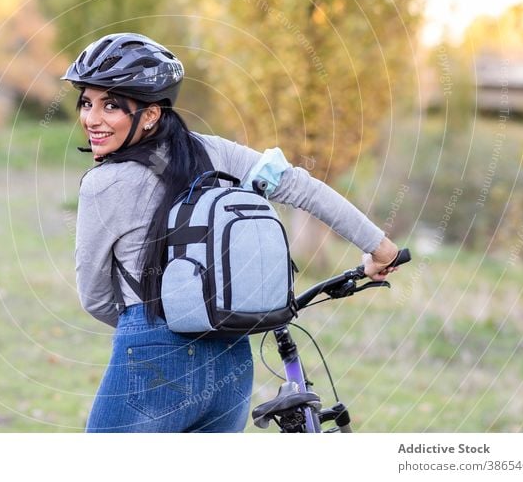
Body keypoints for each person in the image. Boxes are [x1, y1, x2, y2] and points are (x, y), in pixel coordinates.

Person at [65, 32, 400, 433]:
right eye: (87, 102)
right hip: (231, 360)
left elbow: (95, 297)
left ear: (151, 114)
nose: (91, 119)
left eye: (111, 106)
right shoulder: (216, 153)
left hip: (152, 358)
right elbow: (299, 186)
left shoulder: (104, 184)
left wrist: (151, 335)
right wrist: (380, 247)